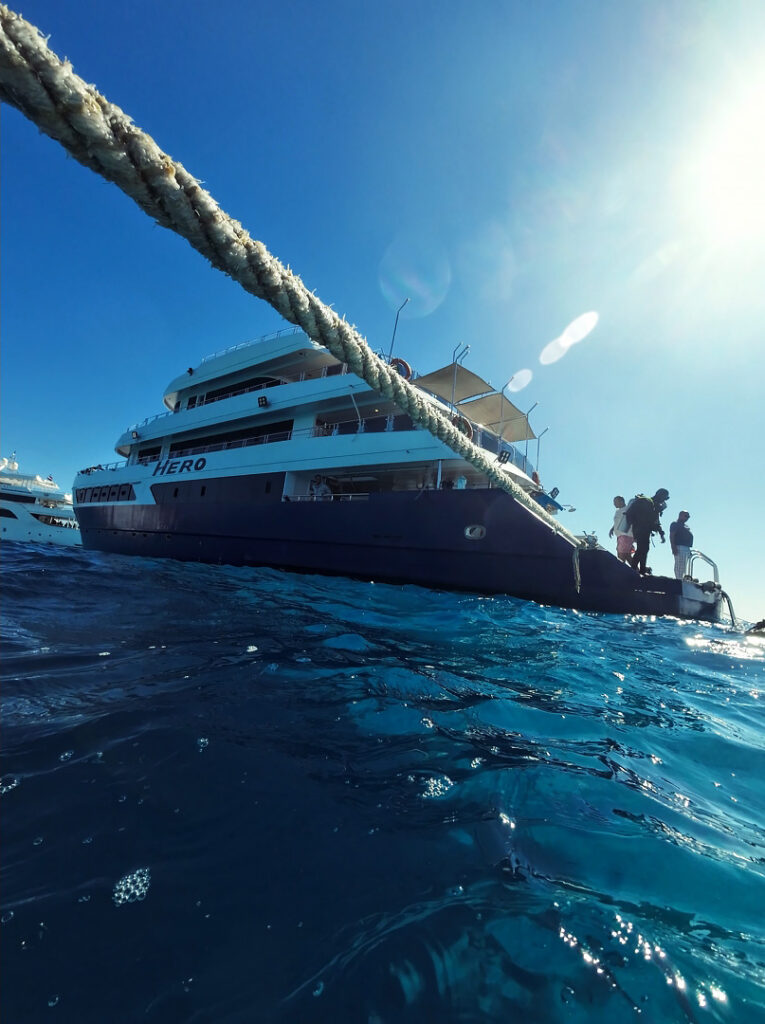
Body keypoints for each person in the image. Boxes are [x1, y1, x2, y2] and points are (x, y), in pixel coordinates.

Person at [625, 488, 669, 574]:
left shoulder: (654, 505)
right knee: (642, 549)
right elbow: (651, 520)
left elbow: (656, 522)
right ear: (660, 495)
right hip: (640, 529)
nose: (664, 500)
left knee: (644, 549)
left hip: (644, 530)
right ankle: (634, 571)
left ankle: (640, 570)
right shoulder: (646, 502)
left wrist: (661, 534)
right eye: (665, 498)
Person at [609, 495, 634, 562]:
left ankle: (621, 571)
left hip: (626, 535)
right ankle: (636, 571)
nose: (614, 504)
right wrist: (612, 529)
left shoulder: (628, 509)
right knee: (627, 555)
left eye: (615, 502)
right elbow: (617, 522)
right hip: (620, 536)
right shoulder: (618, 511)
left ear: (621, 501)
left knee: (621, 556)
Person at [669, 510, 693, 579]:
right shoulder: (675, 524)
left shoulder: (686, 526)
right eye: (686, 516)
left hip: (686, 548)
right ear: (680, 515)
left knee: (684, 567)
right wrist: (673, 547)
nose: (687, 518)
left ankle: (682, 580)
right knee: (679, 566)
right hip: (679, 547)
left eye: (688, 516)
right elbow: (672, 535)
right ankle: (679, 580)